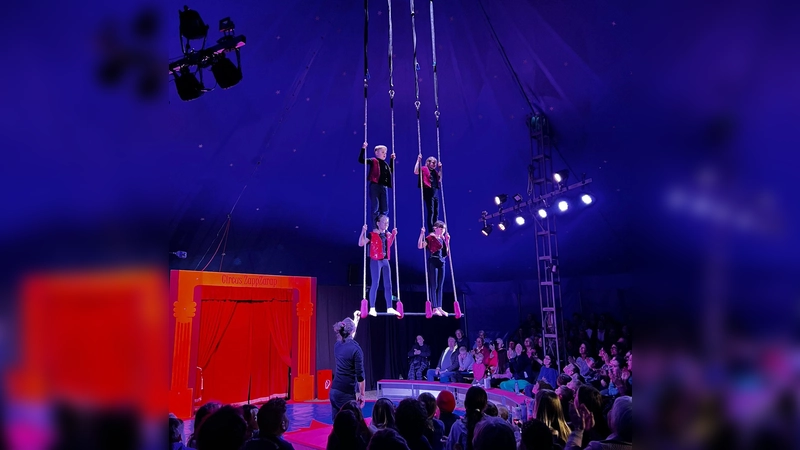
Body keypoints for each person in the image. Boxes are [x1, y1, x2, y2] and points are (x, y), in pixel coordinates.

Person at [358, 215, 401, 316]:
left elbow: (388, 245)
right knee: (375, 283)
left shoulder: (387, 235)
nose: (386, 224)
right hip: (375, 260)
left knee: (388, 285)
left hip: (385, 260)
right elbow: (361, 243)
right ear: (378, 223)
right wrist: (363, 232)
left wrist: (393, 235)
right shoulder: (372, 234)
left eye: (387, 223)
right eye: (384, 222)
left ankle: (389, 307)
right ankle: (372, 307)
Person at [331, 312, 366, 421]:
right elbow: (360, 376)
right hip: (345, 394)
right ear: (352, 331)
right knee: (354, 423)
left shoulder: (337, 345)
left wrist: (356, 319)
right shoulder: (356, 350)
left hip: (334, 391)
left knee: (338, 424)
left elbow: (349, 337)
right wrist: (362, 395)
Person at [417, 221, 450, 316]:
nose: (443, 231)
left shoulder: (442, 239)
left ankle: (439, 306)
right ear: (436, 228)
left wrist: (447, 241)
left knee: (440, 286)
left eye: (443, 229)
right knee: (434, 285)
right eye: (441, 228)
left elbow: (446, 253)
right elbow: (420, 246)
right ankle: (435, 307)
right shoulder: (430, 238)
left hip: (442, 262)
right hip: (433, 261)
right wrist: (421, 234)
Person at [359, 142, 395, 225]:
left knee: (385, 208)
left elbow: (390, 170)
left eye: (385, 153)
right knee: (375, 207)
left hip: (384, 187)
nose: (384, 154)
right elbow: (361, 160)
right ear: (376, 153)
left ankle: (382, 225)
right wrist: (363, 148)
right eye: (382, 152)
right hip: (375, 185)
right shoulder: (373, 161)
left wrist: (391, 160)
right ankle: (375, 226)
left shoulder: (385, 164)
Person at [414, 155, 442, 232]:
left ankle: (435, 228)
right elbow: (416, 171)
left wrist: (440, 169)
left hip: (435, 192)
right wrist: (418, 161)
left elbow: (440, 179)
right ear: (427, 162)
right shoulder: (424, 169)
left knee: (436, 212)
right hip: (428, 191)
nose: (434, 164)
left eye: (435, 163)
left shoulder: (435, 172)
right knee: (431, 211)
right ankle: (431, 230)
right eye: (433, 162)